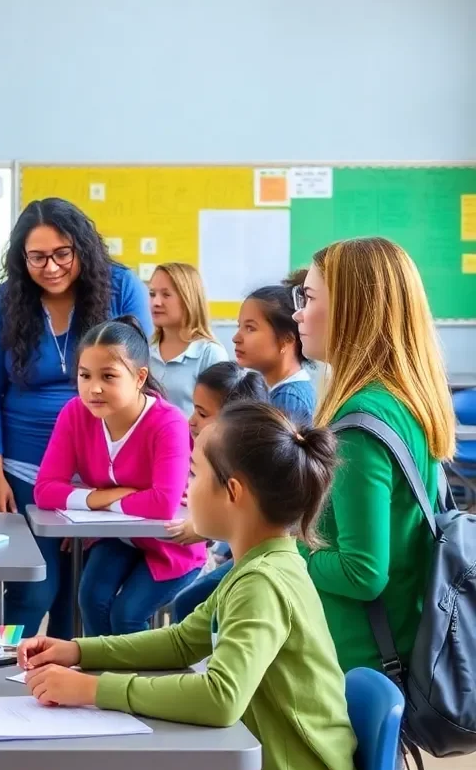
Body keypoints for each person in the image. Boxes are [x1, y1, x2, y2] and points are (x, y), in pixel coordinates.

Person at [18, 401, 359, 770]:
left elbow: (220, 698)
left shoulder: (263, 583)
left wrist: (92, 688)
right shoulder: (259, 563)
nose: (184, 488)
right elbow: (183, 642)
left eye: (194, 475)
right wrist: (78, 650)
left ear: (232, 493)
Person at [0, 197, 150, 638]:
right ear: (21, 258)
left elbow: (142, 381)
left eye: (61, 254)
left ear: (82, 249)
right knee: (34, 589)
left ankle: (65, 687)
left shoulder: (121, 287)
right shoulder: (4, 303)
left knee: (82, 592)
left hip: (102, 473)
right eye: (36, 257)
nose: (50, 267)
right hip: (25, 471)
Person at [294, 237, 454, 672]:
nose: (297, 313)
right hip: (394, 644)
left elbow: (361, 573)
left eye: (307, 297)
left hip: (356, 659)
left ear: (351, 309)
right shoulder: (401, 400)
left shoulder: (359, 420)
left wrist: (287, 549)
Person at [34, 317, 205, 636]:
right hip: (116, 537)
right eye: (84, 376)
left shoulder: (168, 423)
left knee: (127, 613)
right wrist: (106, 497)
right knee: (91, 599)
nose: (93, 388)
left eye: (108, 376)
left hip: (171, 545)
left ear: (140, 377)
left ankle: (133, 684)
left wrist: (94, 499)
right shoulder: (75, 412)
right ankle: (101, 679)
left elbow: (162, 504)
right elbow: (45, 490)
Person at [168, 362, 269, 621]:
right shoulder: (219, 454)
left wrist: (202, 529)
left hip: (256, 562)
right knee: (187, 604)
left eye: (202, 414)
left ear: (234, 420)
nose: (191, 420)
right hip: (239, 558)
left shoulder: (253, 469)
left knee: (189, 604)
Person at [148, 263, 227, 417]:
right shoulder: (145, 349)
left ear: (188, 299)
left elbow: (219, 417)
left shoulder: (209, 354)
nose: (156, 302)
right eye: (152, 294)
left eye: (166, 295)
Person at [233, 284, 315, 422]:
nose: (236, 338)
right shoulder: (277, 392)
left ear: (286, 340)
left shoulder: (288, 399)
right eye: (239, 326)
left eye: (250, 328)